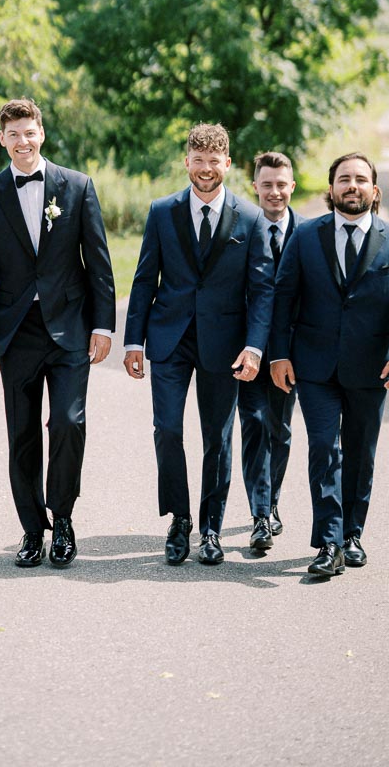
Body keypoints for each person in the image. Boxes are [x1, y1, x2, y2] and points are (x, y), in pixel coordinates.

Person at [0, 97, 115, 568]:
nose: (22, 141)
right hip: (15, 333)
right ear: (2, 140)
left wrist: (104, 324)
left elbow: (99, 263)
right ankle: (32, 529)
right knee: (22, 434)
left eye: (29, 132)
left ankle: (62, 519)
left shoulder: (77, 186)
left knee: (68, 423)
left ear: (41, 133)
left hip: (70, 328)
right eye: (13, 134)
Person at [123, 123, 274, 567]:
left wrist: (255, 347)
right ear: (186, 162)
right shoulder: (162, 211)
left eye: (214, 161)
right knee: (167, 430)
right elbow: (144, 277)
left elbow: (262, 290)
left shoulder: (250, 218)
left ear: (227, 164)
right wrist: (133, 340)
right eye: (198, 160)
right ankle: (179, 520)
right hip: (169, 338)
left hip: (224, 345)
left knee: (218, 438)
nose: (206, 169)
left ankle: (211, 528)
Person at [270, 152, 389, 577]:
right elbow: (283, 296)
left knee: (360, 454)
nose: (351, 185)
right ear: (331, 188)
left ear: (374, 191)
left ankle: (352, 535)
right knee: (324, 447)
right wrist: (280, 354)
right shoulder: (305, 237)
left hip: (371, 369)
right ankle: (328, 542)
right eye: (344, 179)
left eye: (360, 179)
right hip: (314, 367)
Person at [236, 151, 303, 550]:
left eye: (282, 185)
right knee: (254, 424)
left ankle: (272, 500)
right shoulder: (242, 228)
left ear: (292, 187)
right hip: (247, 348)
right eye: (267, 185)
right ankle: (261, 514)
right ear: (256, 187)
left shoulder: (310, 233)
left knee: (281, 428)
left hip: (291, 352)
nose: (275, 192)